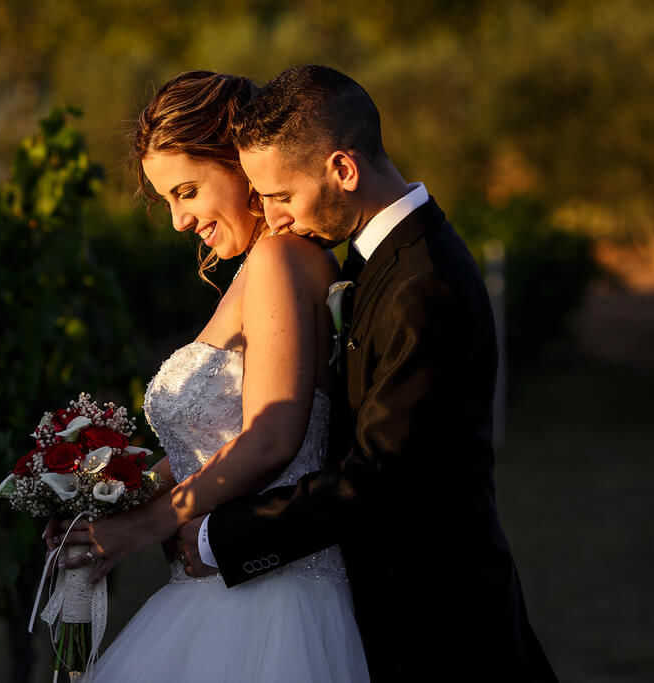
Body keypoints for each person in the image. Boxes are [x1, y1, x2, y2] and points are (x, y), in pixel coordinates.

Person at [169, 65, 557, 681]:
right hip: (385, 611)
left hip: (440, 625)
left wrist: (224, 538)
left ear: (343, 170)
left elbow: (381, 476)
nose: (273, 219)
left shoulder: (423, 284)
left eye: (281, 195)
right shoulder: (377, 263)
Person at [52, 70, 370, 681]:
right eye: (167, 200)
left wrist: (144, 527)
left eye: (188, 191)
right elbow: (220, 443)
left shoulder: (281, 259)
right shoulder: (257, 269)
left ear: (236, 160)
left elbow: (273, 439)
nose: (177, 221)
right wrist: (108, 505)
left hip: (271, 598)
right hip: (218, 589)